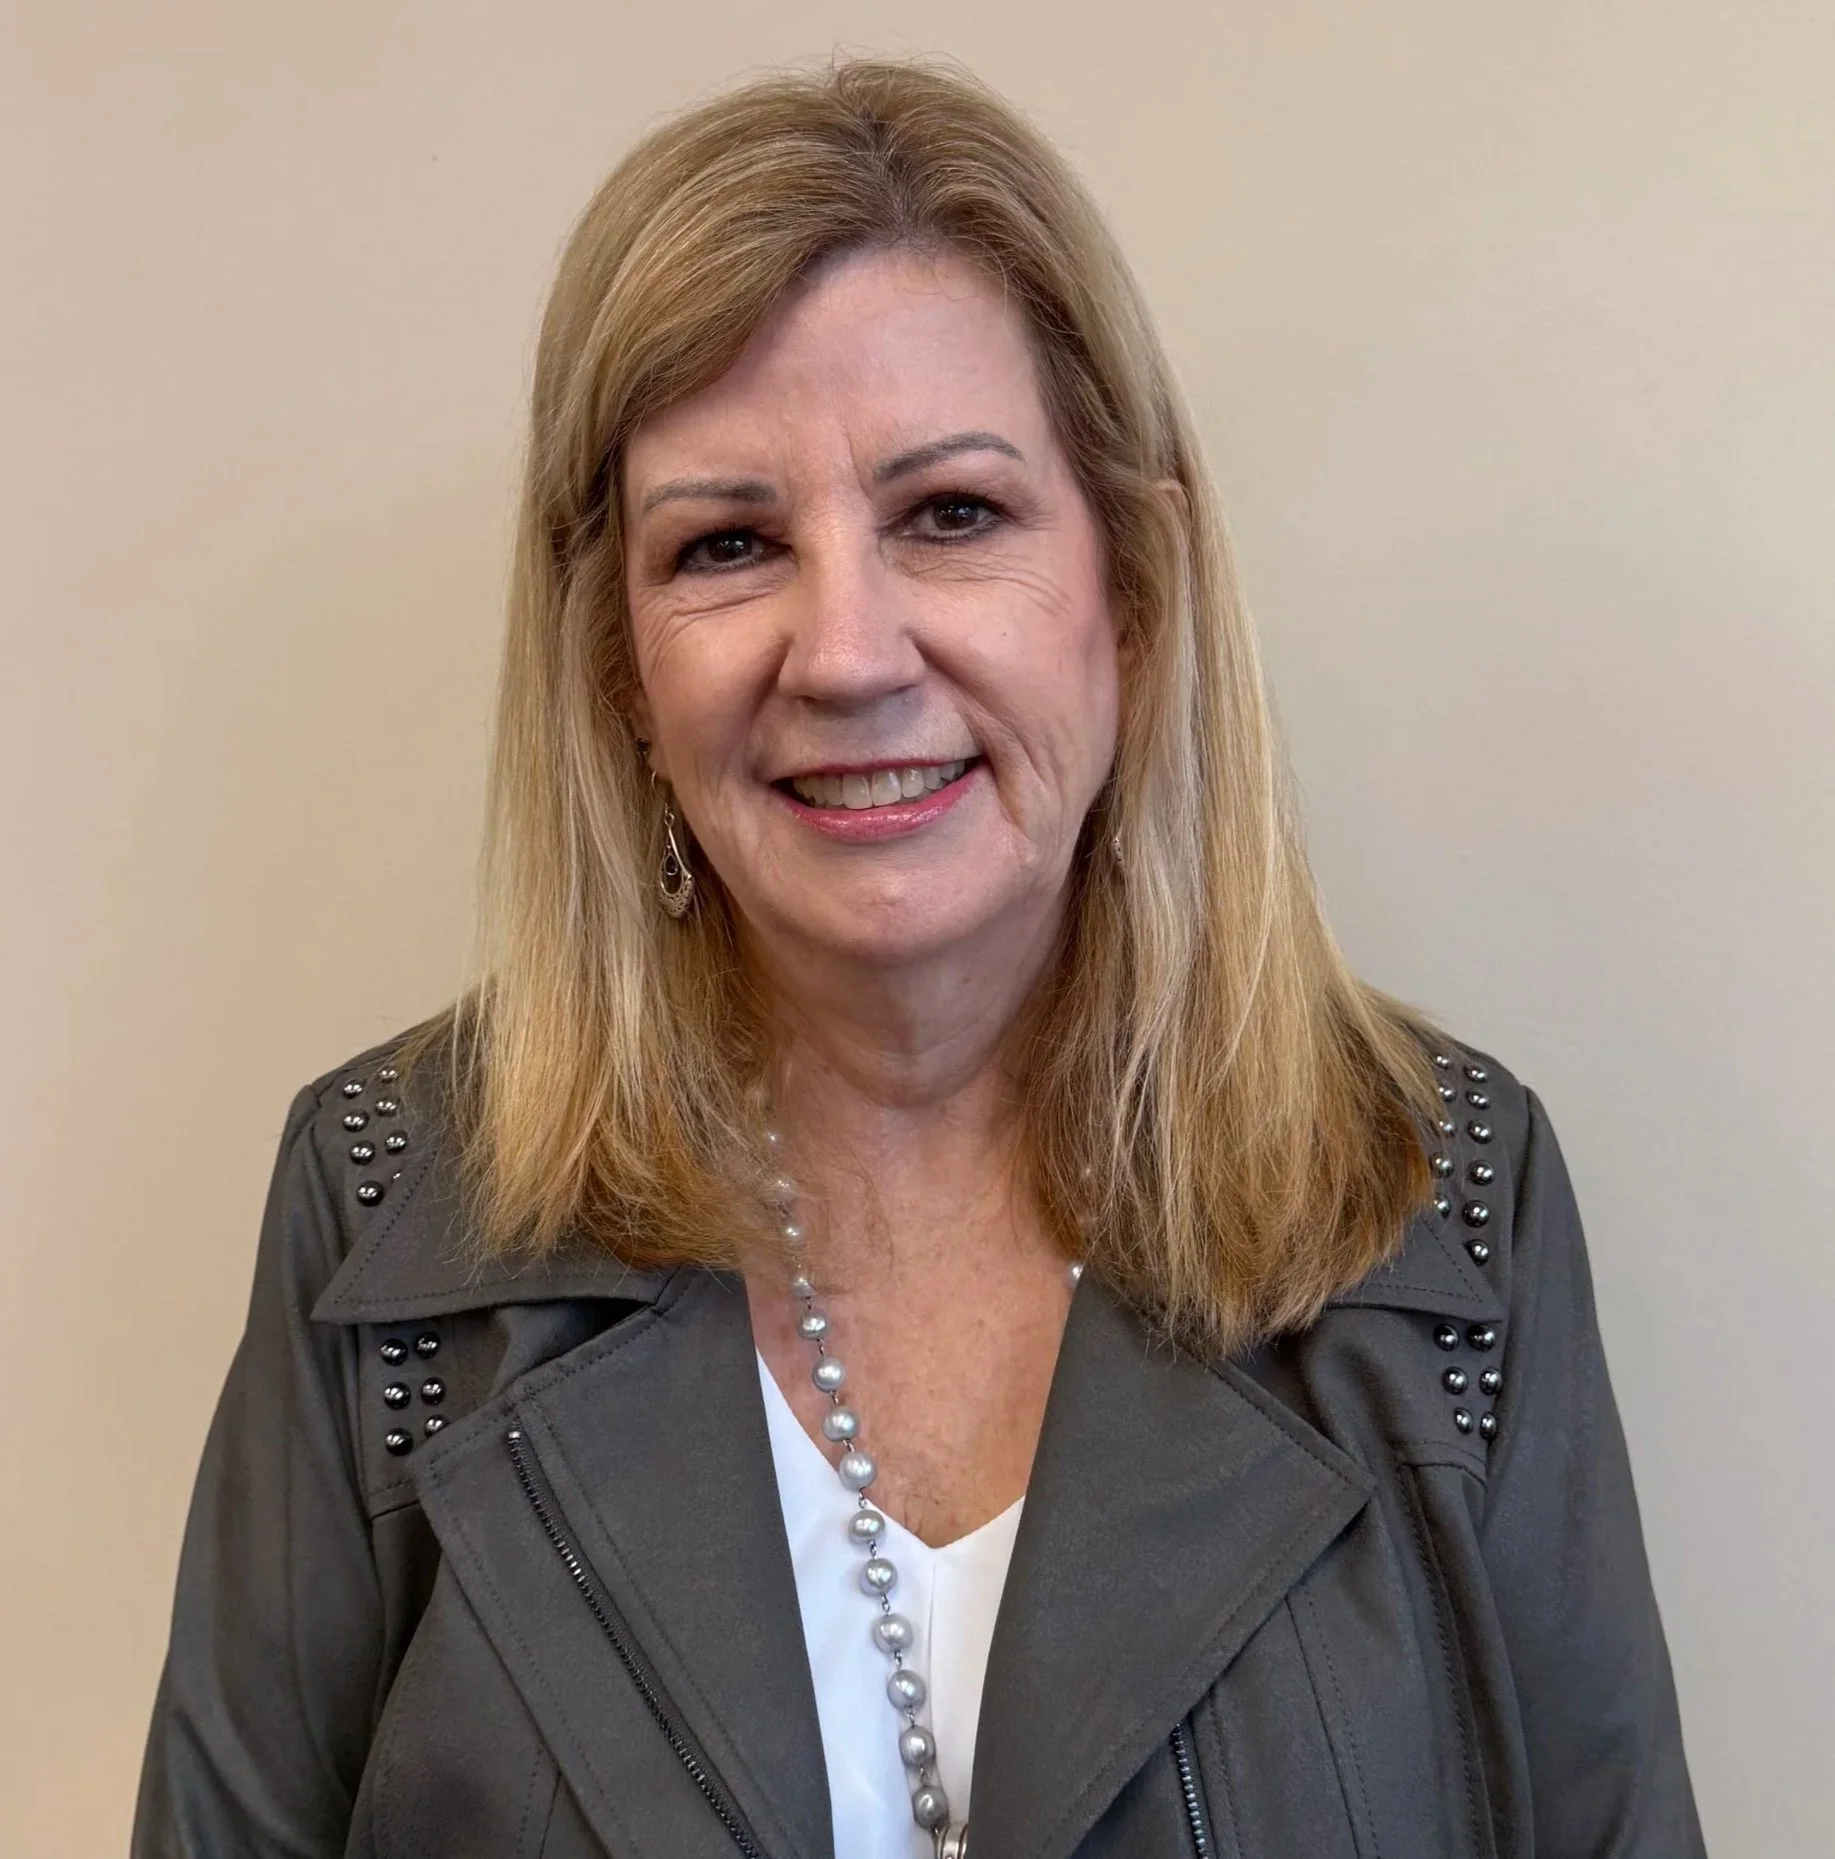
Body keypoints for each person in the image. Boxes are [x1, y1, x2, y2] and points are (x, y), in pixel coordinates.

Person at [133, 57, 1703, 1859]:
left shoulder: (1443, 1193)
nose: (848, 649)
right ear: (620, 673)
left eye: (952, 513)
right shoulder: (389, 1201)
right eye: (727, 544)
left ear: (1133, 584)